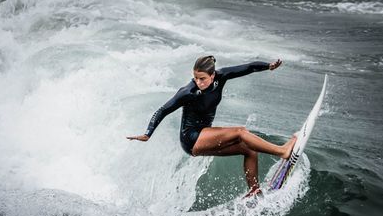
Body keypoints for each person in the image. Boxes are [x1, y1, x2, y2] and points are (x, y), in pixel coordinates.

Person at [127, 56, 296, 198]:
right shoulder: (187, 92)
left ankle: (254, 191)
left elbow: (249, 67)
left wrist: (268, 66)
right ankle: (283, 151)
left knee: (249, 149)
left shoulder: (221, 77)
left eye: (202, 78)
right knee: (240, 132)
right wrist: (147, 134)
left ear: (212, 75)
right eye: (196, 78)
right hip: (191, 138)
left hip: (204, 136)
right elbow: (163, 110)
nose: (198, 82)